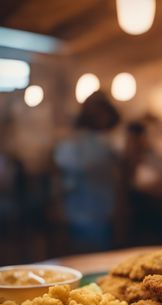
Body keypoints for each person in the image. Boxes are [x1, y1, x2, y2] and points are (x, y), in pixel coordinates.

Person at [54, 91, 120, 251]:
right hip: (83, 214)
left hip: (99, 213)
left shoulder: (104, 142)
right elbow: (63, 176)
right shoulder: (80, 143)